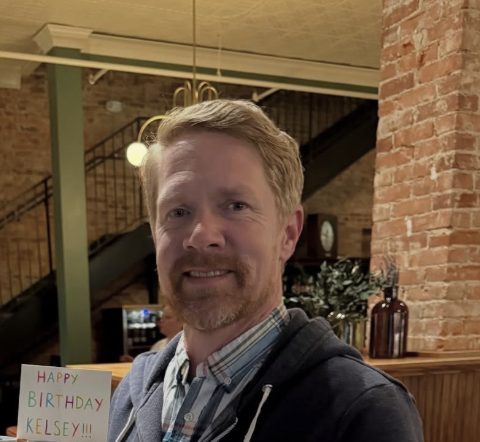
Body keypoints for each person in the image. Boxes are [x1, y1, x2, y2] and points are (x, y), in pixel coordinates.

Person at [108, 100, 424, 442]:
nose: (201, 236)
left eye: (236, 206)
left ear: (287, 233)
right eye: (178, 212)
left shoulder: (362, 411)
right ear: (155, 235)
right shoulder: (131, 394)